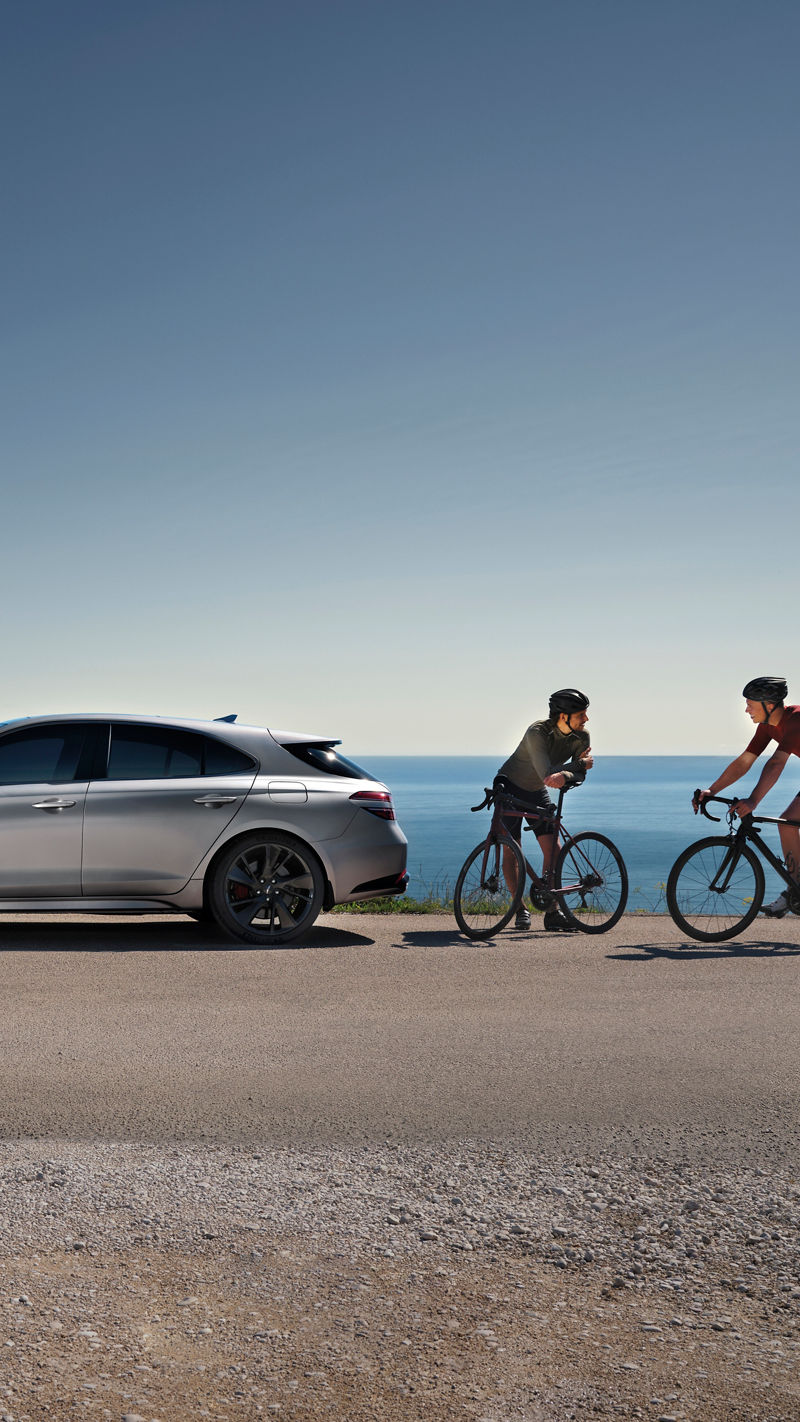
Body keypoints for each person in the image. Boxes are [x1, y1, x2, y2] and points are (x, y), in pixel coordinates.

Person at [695, 676, 800, 916]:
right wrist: (712, 790)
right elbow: (744, 762)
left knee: (789, 819)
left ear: (769, 705)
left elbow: (776, 763)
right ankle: (795, 891)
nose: (746, 709)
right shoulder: (767, 727)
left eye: (750, 704)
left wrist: (753, 800)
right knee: (787, 824)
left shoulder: (796, 720)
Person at [494, 689, 593, 931]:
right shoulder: (537, 732)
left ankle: (552, 910)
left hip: (536, 789)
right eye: (581, 714)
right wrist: (575, 765)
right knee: (511, 850)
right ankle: (520, 910)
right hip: (511, 786)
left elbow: (579, 775)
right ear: (563, 716)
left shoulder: (582, 737)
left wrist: (568, 773)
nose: (586, 719)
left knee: (554, 849)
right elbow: (547, 773)